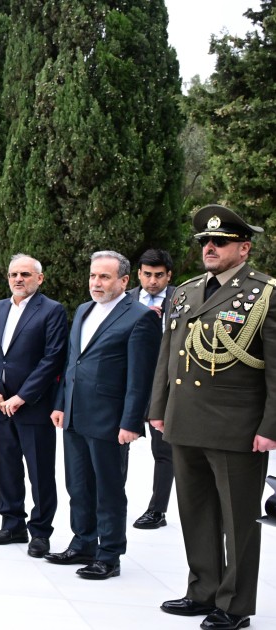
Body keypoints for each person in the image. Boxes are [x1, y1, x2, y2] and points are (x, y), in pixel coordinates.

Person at [150, 205, 276, 630]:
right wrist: (158, 408)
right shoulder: (185, 292)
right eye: (204, 241)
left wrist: (271, 428)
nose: (209, 247)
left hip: (237, 426)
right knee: (196, 511)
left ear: (244, 248)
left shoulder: (264, 293)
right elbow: (167, 358)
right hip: (185, 419)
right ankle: (202, 590)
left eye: (219, 242)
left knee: (238, 522)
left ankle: (235, 605)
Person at [46, 251, 161, 580]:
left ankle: (109, 554)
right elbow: (72, 363)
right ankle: (83, 542)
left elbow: (141, 377)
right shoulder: (83, 310)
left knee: (108, 487)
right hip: (75, 413)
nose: (96, 282)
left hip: (110, 419)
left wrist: (131, 422)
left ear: (124, 281)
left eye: (105, 277)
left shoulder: (140, 317)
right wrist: (60, 403)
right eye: (94, 276)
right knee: (77, 484)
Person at [0, 254, 67, 558]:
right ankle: (12, 523)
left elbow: (52, 358)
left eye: (25, 274)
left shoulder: (51, 311)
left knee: (40, 471)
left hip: (33, 406)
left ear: (39, 279)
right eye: (13, 274)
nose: (18, 279)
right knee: (8, 467)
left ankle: (40, 532)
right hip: (0, 404)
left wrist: (23, 396)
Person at [126, 248, 176, 530]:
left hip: (166, 384)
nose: (152, 281)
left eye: (159, 275)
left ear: (169, 275)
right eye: (147, 274)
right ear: (139, 274)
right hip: (130, 382)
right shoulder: (127, 300)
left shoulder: (182, 299)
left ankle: (157, 510)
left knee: (163, 451)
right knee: (119, 443)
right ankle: (111, 500)